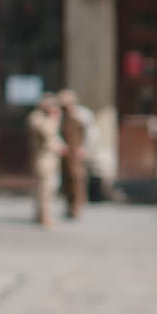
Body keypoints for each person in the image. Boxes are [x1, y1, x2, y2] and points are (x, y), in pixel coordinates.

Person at [27, 93, 65, 227]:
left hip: (51, 156)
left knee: (49, 187)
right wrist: (54, 119)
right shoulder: (37, 117)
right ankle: (44, 216)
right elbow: (47, 133)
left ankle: (43, 214)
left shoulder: (48, 118)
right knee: (45, 187)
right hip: (43, 156)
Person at [56, 89, 95, 219]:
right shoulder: (60, 115)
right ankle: (69, 205)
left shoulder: (82, 114)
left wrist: (84, 148)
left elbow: (91, 133)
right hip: (65, 151)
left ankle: (77, 206)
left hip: (77, 151)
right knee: (66, 179)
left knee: (77, 178)